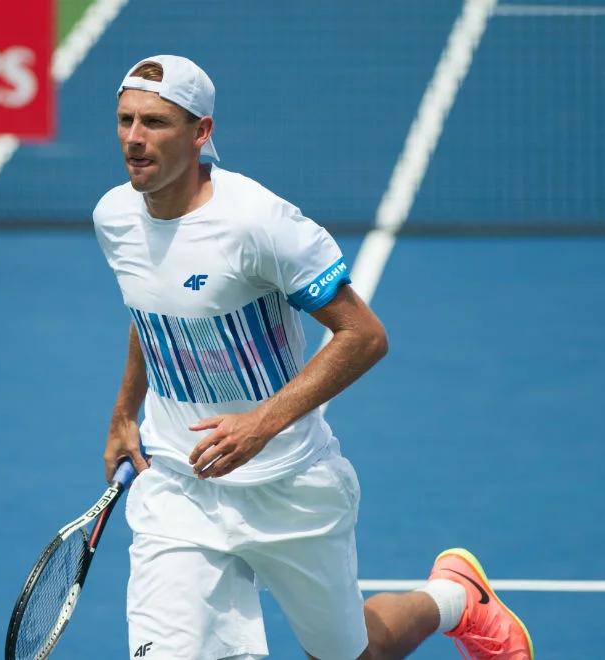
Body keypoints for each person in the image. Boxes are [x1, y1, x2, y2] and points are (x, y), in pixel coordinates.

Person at [92, 54, 534, 660]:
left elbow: (364, 335)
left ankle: (454, 597)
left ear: (201, 132)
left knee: (357, 654)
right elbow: (152, 306)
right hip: (179, 485)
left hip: (289, 484)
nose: (135, 140)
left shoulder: (258, 224)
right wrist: (125, 412)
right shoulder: (114, 216)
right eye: (125, 120)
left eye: (156, 123)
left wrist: (260, 423)